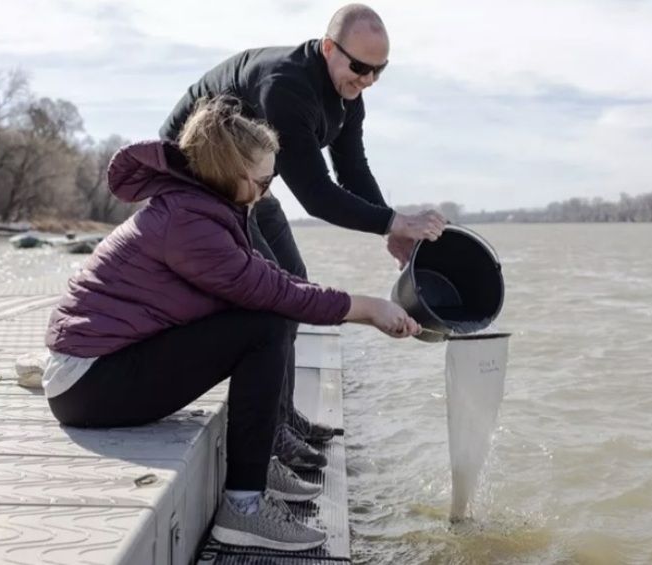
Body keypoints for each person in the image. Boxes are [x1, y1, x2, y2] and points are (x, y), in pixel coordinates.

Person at [43, 96, 421, 551]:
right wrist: (368, 309)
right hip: (87, 384)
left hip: (98, 371)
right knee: (265, 326)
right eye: (263, 181)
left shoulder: (204, 207)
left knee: (267, 317)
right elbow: (275, 293)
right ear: (231, 173)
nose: (266, 191)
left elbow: (268, 281)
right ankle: (243, 508)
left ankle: (259, 465)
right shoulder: (189, 223)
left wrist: (360, 305)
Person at [159, 4, 446, 471]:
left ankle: (283, 415)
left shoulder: (349, 96)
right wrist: (394, 222)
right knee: (277, 295)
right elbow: (316, 196)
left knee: (294, 279)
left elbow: (352, 171)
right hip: (197, 178)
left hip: (248, 182)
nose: (368, 79)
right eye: (359, 67)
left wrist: (387, 230)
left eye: (379, 70)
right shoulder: (287, 87)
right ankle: (270, 433)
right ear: (329, 48)